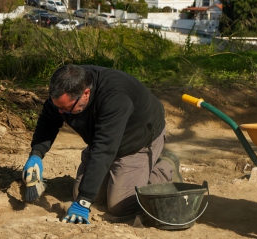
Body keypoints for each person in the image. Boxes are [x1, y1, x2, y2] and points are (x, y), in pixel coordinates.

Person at [22, 64, 181, 224]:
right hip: (103, 137)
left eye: (68, 108)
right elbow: (48, 121)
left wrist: (84, 202)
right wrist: (36, 155)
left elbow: (104, 149)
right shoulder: (65, 88)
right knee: (81, 193)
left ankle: (165, 167)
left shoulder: (115, 97)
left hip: (137, 138)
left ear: (86, 93)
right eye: (58, 108)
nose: (61, 113)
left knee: (120, 206)